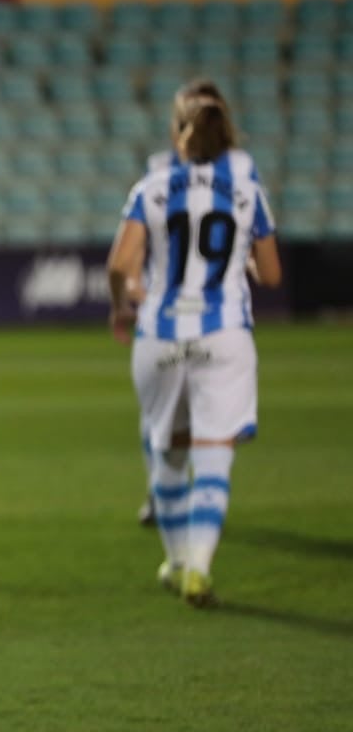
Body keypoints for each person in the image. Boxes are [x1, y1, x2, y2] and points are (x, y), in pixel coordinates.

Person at [108, 92, 281, 609]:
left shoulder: (153, 188)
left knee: (168, 449)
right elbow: (270, 274)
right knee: (212, 455)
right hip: (222, 334)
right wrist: (240, 264)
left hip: (160, 336)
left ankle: (178, 559)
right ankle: (200, 568)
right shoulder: (248, 192)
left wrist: (122, 306)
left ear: (176, 135)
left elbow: (121, 266)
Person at [133, 81, 261, 528]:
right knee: (164, 411)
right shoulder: (162, 168)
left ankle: (186, 495)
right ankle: (165, 489)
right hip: (174, 303)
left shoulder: (239, 169)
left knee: (194, 411)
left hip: (207, 306)